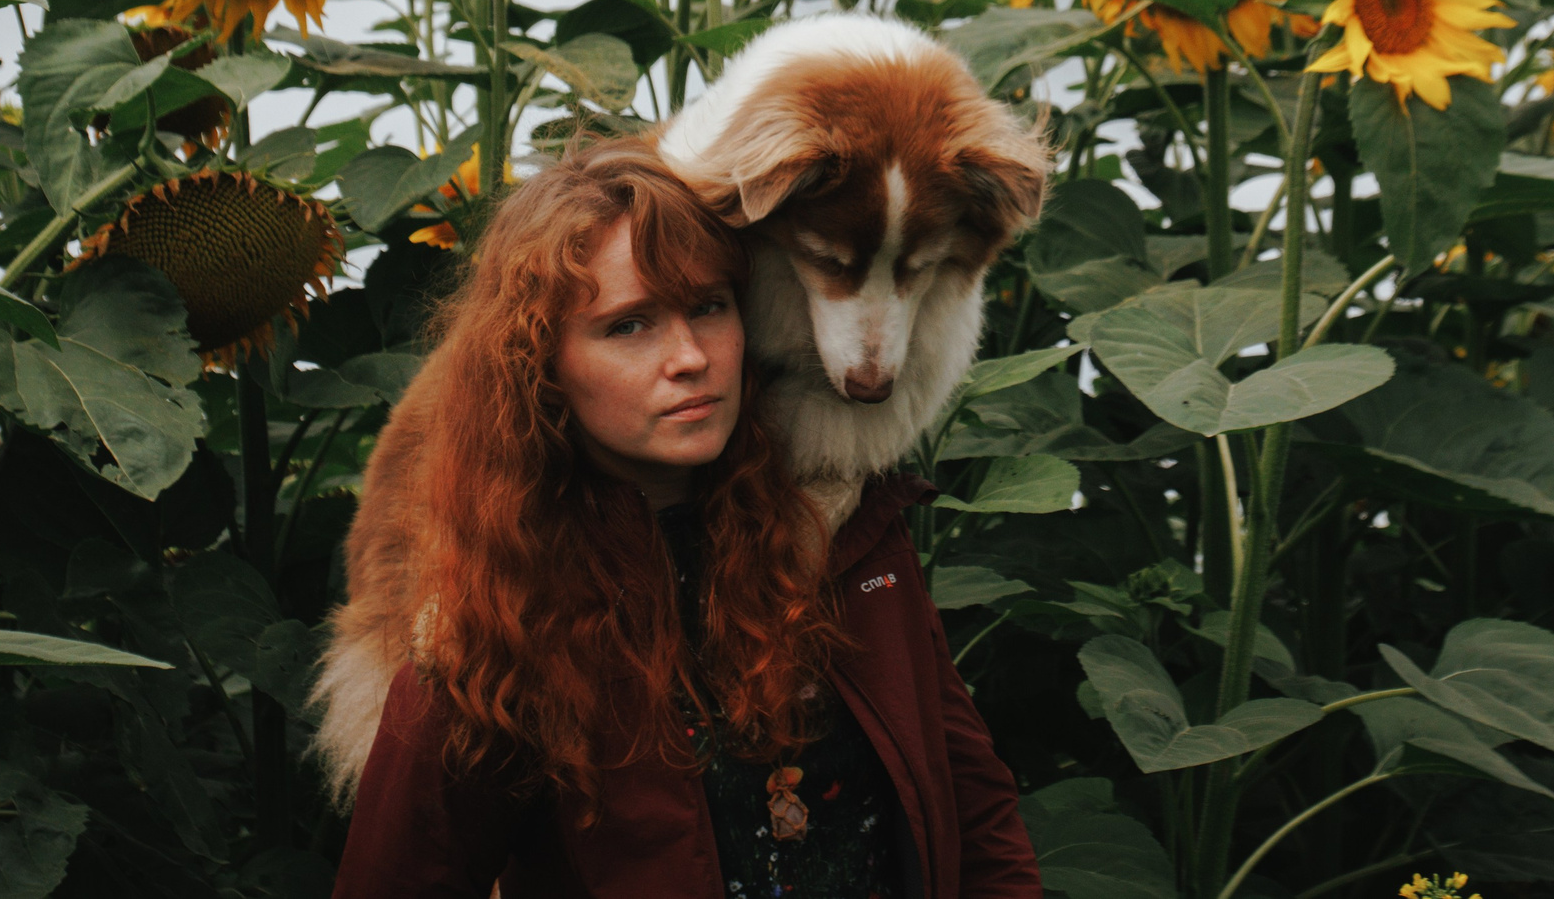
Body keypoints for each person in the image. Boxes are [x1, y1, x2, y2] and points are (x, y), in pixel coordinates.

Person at [330, 137, 1042, 898]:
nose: (690, 357)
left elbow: (975, 812)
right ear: (540, 363)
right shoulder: (500, 611)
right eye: (628, 325)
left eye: (709, 307)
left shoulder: (846, 533)